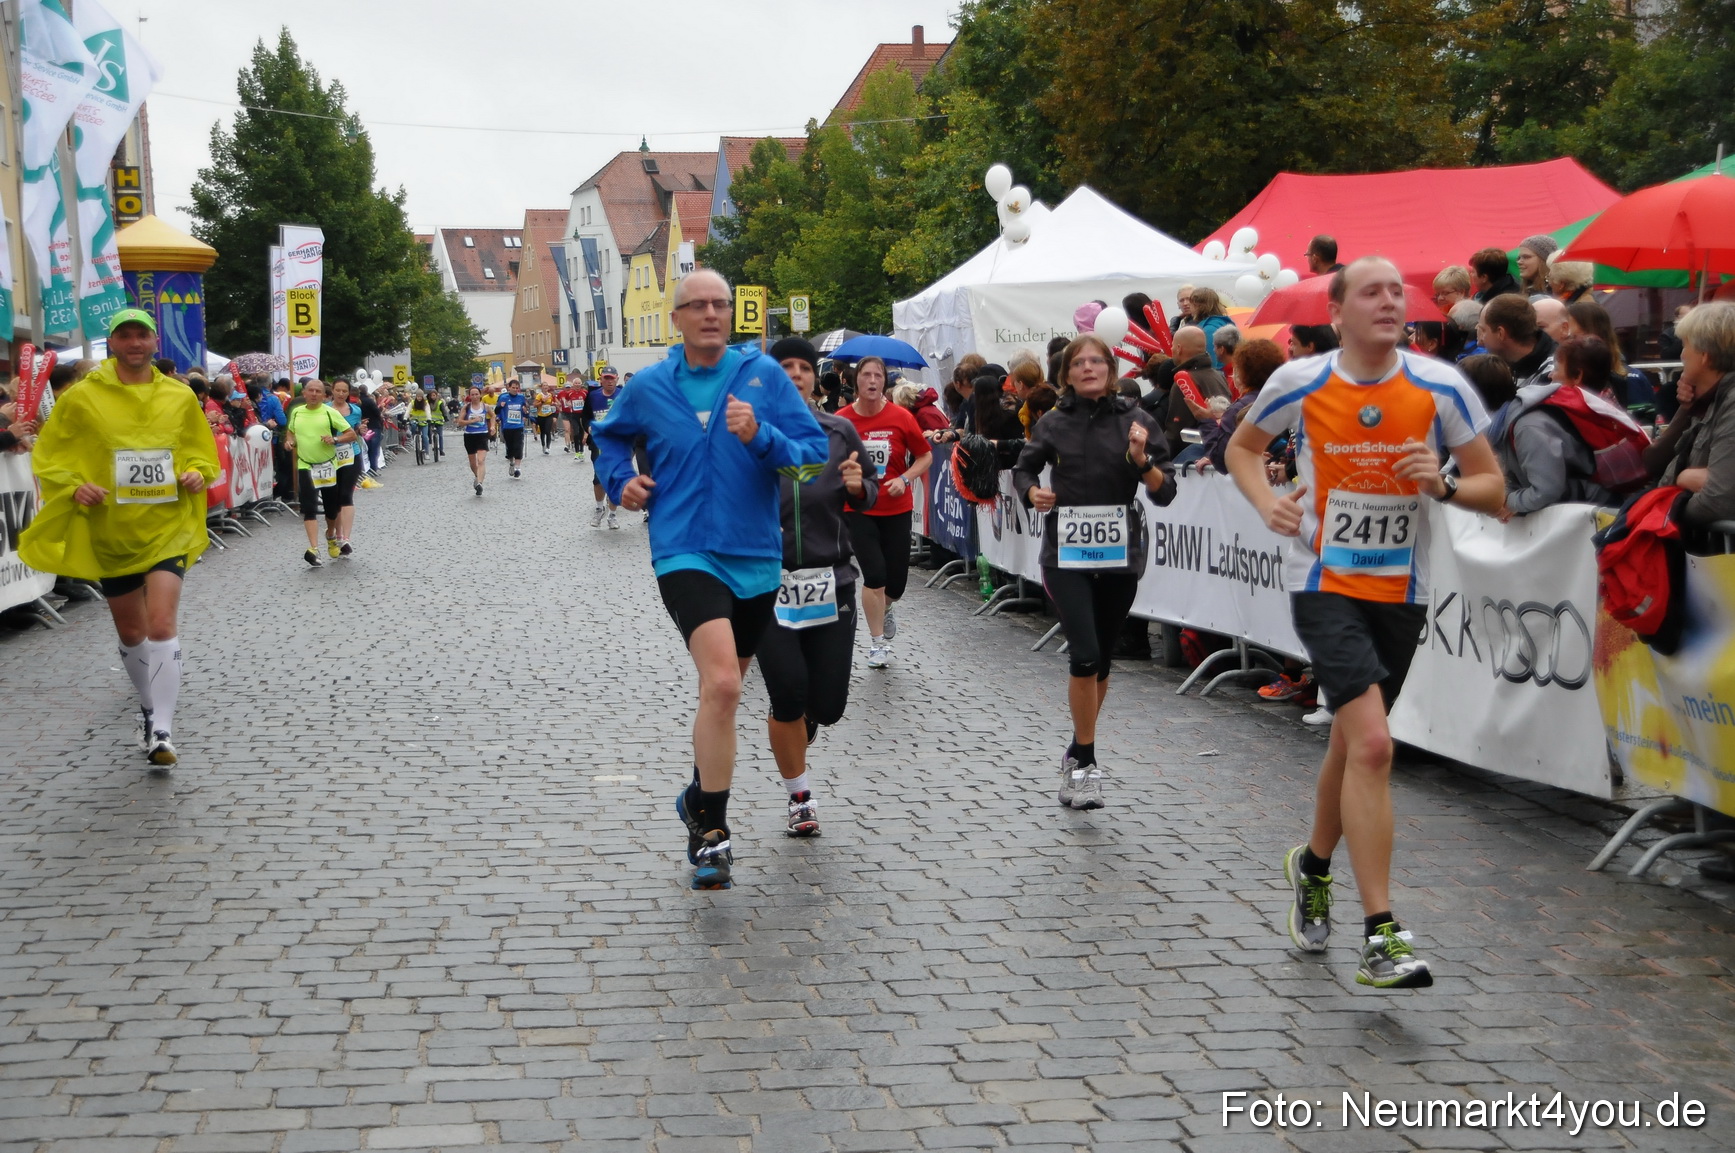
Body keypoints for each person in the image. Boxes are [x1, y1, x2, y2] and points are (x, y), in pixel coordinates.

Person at [1224, 256, 1505, 989]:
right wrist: (1267, 504)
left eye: (1396, 291)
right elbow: (1241, 449)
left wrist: (1440, 482)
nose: (1389, 300)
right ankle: (1381, 934)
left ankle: (1312, 864)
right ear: (1339, 309)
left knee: (1354, 743)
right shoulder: (1300, 379)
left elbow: (1491, 487)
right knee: (1375, 745)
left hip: (1400, 589)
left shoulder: (1440, 384)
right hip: (1321, 581)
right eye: (1372, 291)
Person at [593, 269, 829, 890]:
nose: (710, 314)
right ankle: (713, 834)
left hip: (755, 557)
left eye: (720, 305)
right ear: (676, 318)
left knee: (725, 688)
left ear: (732, 315)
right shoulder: (648, 387)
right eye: (696, 305)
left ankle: (698, 795)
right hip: (684, 550)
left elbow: (809, 460)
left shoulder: (765, 378)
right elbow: (607, 438)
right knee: (723, 683)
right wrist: (622, 483)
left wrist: (761, 435)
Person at [17, 309, 218, 769]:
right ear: (112, 343)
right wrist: (73, 487)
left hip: (168, 525)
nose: (134, 343)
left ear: (153, 343)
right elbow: (53, 453)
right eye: (124, 335)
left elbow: (198, 450)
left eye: (142, 335)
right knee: (132, 632)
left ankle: (163, 731)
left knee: (162, 624)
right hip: (112, 529)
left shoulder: (179, 395)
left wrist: (195, 473)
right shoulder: (83, 397)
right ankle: (149, 709)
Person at [1014, 334, 1176, 810]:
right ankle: (1085, 762)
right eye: (1078, 363)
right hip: (1065, 555)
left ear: (1108, 368)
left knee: (1102, 659)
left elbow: (1164, 492)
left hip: (1119, 554)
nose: (1088, 368)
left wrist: (1142, 460)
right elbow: (1024, 470)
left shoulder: (1137, 419)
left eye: (1096, 362)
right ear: (1066, 374)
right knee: (1084, 655)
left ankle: (1075, 747)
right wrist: (1030, 494)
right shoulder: (1052, 422)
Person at [758, 337, 880, 837]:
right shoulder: (752, 436)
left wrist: (858, 487)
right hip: (769, 586)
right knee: (787, 692)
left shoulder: (839, 431)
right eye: (783, 367)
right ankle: (800, 796)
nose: (794, 374)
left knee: (826, 705)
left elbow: (869, 491)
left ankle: (798, 727)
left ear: (814, 377)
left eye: (802, 368)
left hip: (832, 582)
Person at [838, 354, 933, 669]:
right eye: (866, 375)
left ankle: (887, 607)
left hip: (896, 508)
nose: (873, 381)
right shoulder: (842, 421)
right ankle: (877, 644)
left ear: (884, 382)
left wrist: (905, 479)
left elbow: (925, 456)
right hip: (859, 508)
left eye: (878, 375)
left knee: (896, 585)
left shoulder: (902, 417)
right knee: (874, 576)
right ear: (857, 381)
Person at [1493, 335, 1630, 518]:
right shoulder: (1605, 406)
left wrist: (1509, 501)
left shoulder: (1534, 423)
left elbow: (1546, 491)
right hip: (1607, 509)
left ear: (1577, 376)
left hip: (1586, 519)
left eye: (1556, 368)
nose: (1550, 374)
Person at [1642, 302, 1735, 534]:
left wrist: (1669, 508)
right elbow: (1654, 463)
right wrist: (1687, 408)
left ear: (1704, 356)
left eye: (1685, 345)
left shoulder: (1731, 402)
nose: (1681, 354)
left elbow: (1716, 501)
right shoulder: (1710, 398)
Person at [284, 379, 360, 567]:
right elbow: (290, 432)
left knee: (331, 509)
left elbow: (351, 434)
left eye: (318, 391)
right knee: (308, 508)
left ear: (324, 395)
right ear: (305, 393)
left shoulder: (329, 412)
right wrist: (290, 442)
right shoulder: (296, 412)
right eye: (311, 391)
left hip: (327, 466)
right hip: (305, 465)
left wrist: (334, 439)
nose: (314, 394)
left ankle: (331, 535)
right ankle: (314, 549)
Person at [1161, 326, 1230, 457]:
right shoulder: (1219, 376)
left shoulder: (1183, 383)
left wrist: (1161, 458)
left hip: (1195, 459)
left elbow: (1176, 432)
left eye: (1173, 346)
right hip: (1220, 450)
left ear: (1179, 349)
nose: (1172, 349)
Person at [325, 379, 366, 556]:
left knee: (346, 495)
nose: (341, 394)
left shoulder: (355, 410)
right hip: (329, 456)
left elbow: (356, 429)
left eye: (344, 391)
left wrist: (361, 430)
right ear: (332, 391)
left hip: (352, 454)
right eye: (338, 390)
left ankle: (345, 539)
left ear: (349, 393)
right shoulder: (324, 409)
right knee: (333, 499)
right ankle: (336, 534)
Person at [1478, 294, 1556, 384]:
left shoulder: (1553, 373)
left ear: (1500, 333)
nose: (1480, 341)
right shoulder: (1505, 363)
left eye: (1483, 331)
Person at [584, 368, 623, 526]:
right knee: (598, 478)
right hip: (598, 443)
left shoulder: (623, 395)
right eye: (606, 378)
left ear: (617, 378)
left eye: (612, 378)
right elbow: (585, 417)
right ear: (601, 379)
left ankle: (612, 515)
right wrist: (588, 428)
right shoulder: (593, 396)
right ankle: (599, 509)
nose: (609, 381)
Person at [1188, 288, 1236, 369]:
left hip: (1218, 376)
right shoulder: (1223, 323)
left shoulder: (1208, 330)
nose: (1190, 309)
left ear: (1197, 306)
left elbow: (1211, 364)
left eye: (1191, 305)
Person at [459, 386, 492, 495]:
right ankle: (477, 476)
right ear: (469, 396)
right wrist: (471, 421)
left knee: (481, 460)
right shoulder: (466, 408)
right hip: (469, 436)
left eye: (476, 394)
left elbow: (493, 416)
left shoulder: (485, 407)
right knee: (473, 463)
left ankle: (480, 483)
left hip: (482, 435)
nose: (474, 396)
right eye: (472, 394)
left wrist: (492, 427)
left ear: (480, 395)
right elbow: (460, 422)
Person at [496, 379, 530, 478]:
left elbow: (526, 411)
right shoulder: (503, 397)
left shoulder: (521, 398)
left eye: (517, 388)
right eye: (513, 387)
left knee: (518, 445)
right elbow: (496, 410)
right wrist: (499, 413)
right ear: (509, 387)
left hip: (518, 426)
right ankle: (511, 461)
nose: (515, 389)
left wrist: (526, 412)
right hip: (507, 426)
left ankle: (517, 468)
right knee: (510, 448)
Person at [356, 383, 386, 485]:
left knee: (365, 448)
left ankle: (366, 468)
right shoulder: (369, 401)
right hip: (373, 427)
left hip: (362, 427)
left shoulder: (357, 403)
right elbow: (377, 413)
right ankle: (373, 467)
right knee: (374, 449)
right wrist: (380, 410)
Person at [558, 376, 587, 453]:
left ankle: (581, 450)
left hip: (582, 415)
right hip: (573, 415)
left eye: (579, 383)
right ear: (573, 385)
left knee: (581, 432)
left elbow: (589, 402)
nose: (577, 385)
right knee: (575, 431)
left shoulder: (585, 392)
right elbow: (567, 401)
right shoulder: (570, 393)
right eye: (576, 383)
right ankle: (577, 451)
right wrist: (569, 404)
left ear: (581, 384)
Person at [533, 380, 559, 454]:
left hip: (549, 415)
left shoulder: (550, 395)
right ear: (541, 387)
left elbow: (551, 402)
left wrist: (554, 404)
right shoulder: (539, 395)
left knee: (548, 431)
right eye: (544, 386)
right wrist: (542, 402)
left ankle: (548, 447)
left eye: (546, 386)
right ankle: (543, 445)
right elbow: (534, 404)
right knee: (543, 432)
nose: (545, 387)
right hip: (541, 415)